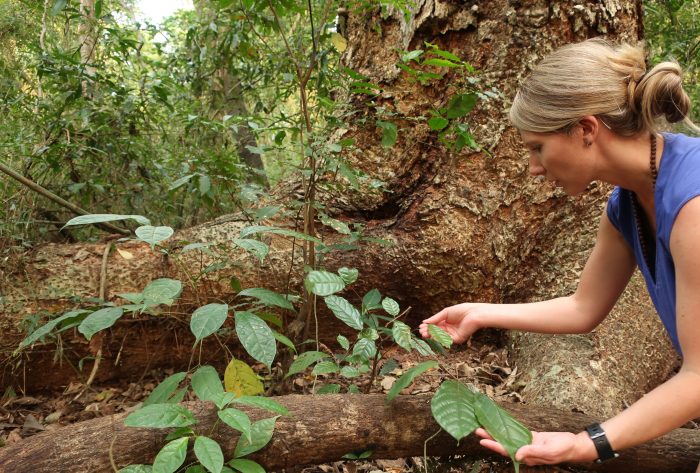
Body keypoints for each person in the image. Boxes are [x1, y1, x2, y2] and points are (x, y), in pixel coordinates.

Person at [419, 38, 700, 468]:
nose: (534, 168)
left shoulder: (692, 201)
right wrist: (480, 312)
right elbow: (582, 308)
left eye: (537, 147)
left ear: (586, 129)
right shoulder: (626, 205)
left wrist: (588, 443)